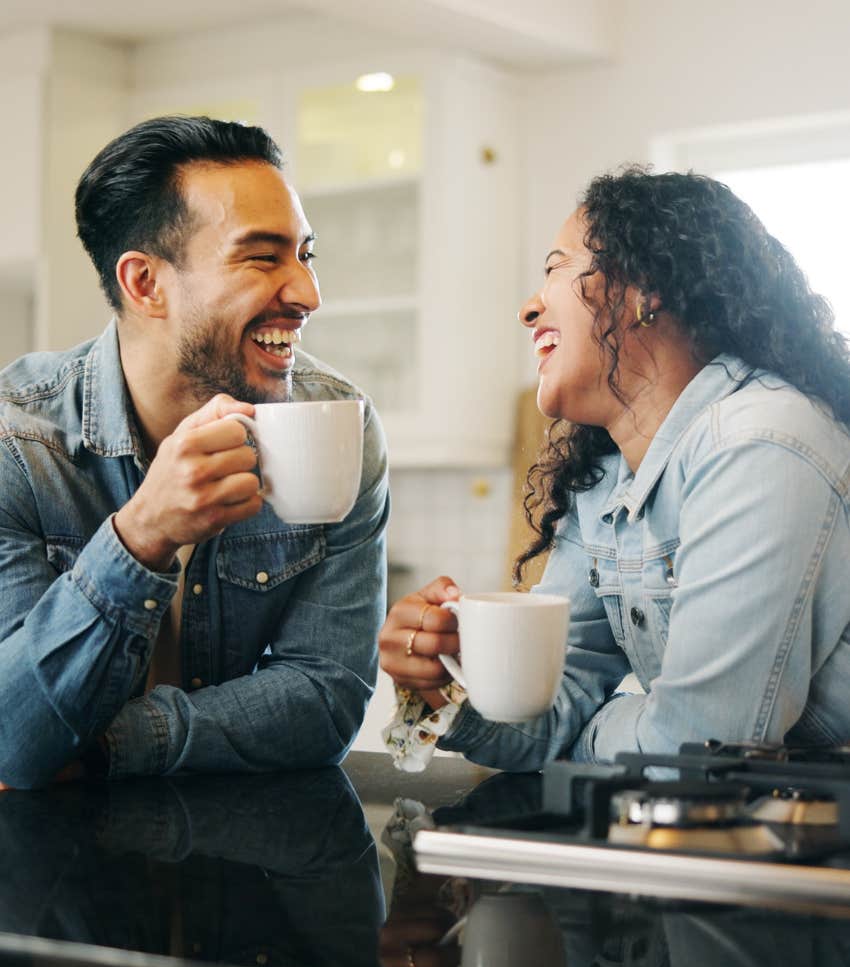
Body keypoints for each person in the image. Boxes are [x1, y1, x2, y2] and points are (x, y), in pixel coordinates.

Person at [379, 166, 850, 772]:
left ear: (642, 289)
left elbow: (697, 752)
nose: (529, 308)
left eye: (556, 269)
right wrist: (443, 688)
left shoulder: (759, 445)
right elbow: (550, 707)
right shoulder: (606, 479)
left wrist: (590, 736)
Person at [0, 115, 389, 789]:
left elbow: (327, 698)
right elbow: (13, 736)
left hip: (245, 843)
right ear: (145, 283)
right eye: (263, 257)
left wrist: (104, 747)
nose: (308, 293)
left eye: (306, 255)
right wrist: (142, 535)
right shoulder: (19, 447)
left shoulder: (338, 423)